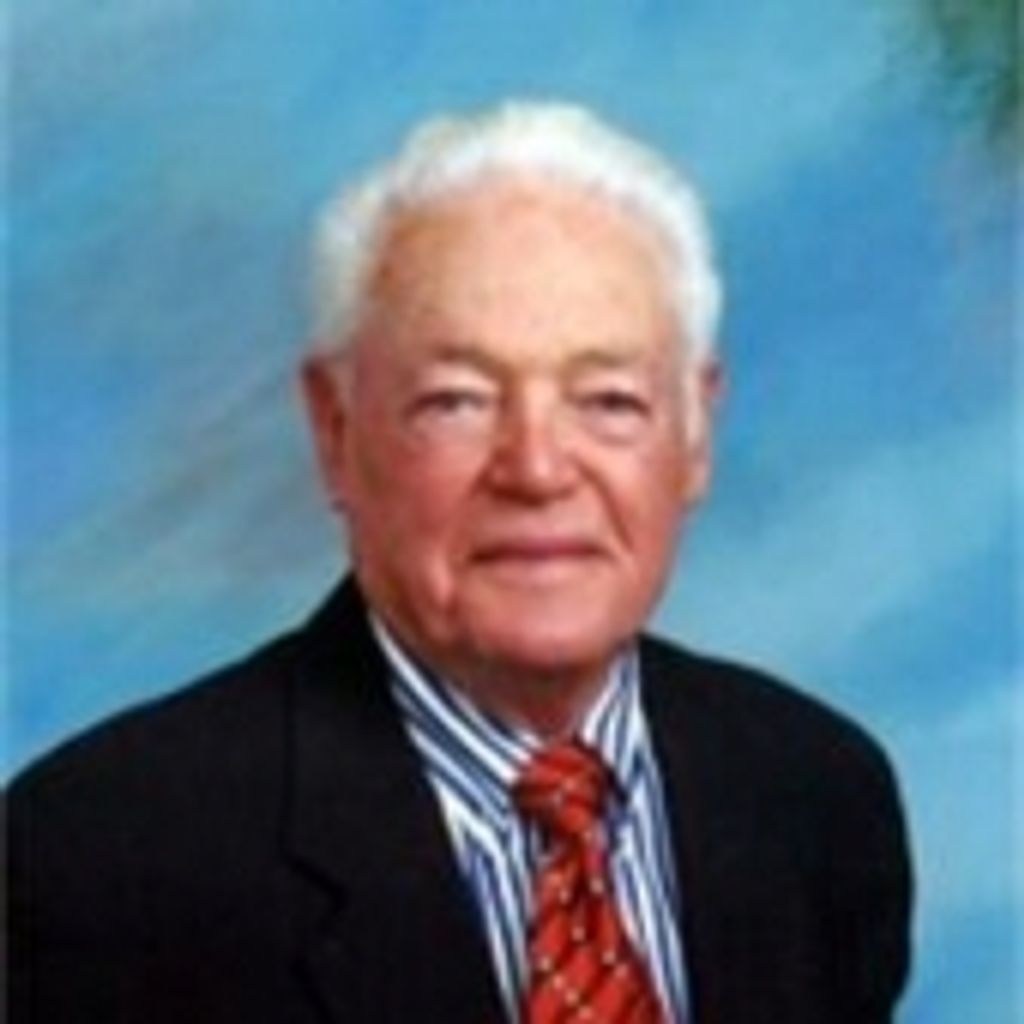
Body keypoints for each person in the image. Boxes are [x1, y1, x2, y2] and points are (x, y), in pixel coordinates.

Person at [7, 102, 913, 1024]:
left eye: (608, 400)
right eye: (457, 401)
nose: (537, 469)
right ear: (335, 430)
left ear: (694, 433)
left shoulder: (818, 797)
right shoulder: (101, 857)